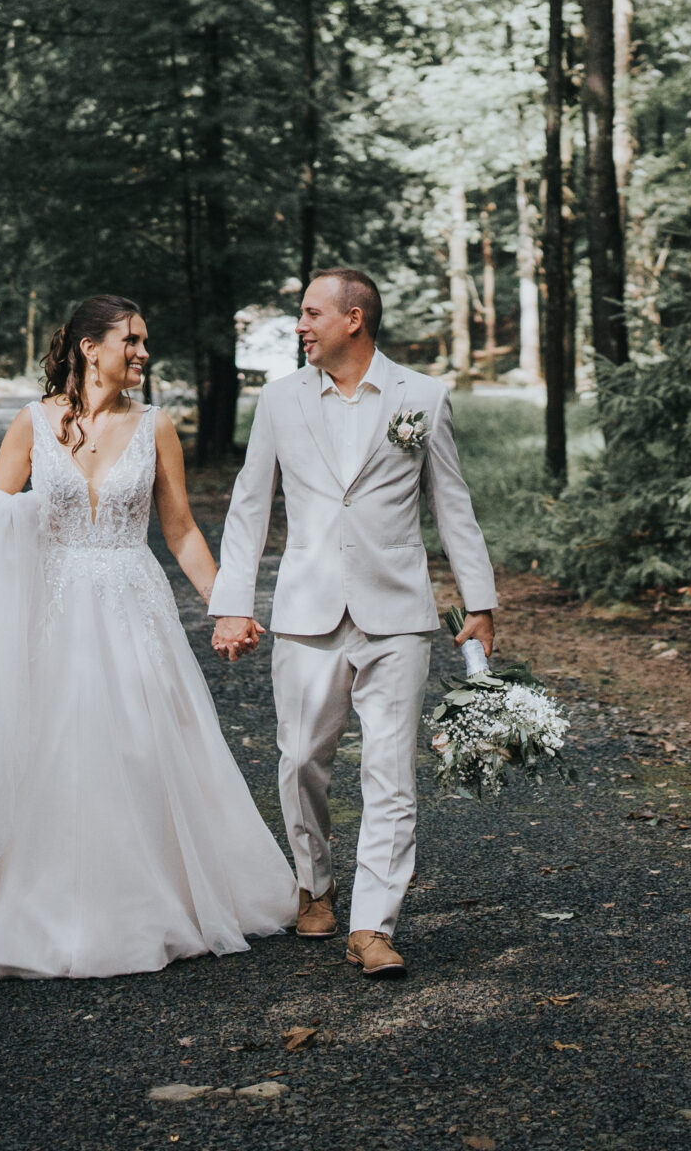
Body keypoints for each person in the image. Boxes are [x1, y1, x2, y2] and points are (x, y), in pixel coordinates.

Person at [0, 295, 294, 980]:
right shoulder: (30, 424)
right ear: (88, 347)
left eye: (143, 341)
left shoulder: (156, 426)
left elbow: (183, 531)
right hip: (50, 611)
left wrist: (228, 605)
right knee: (44, 752)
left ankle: (148, 903)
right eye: (130, 340)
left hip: (134, 607)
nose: (142, 352)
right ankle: (36, 914)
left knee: (140, 749)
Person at [208, 267, 497, 978]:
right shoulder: (278, 402)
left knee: (390, 770)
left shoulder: (421, 398)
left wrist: (480, 603)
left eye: (310, 313)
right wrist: (233, 602)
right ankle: (315, 880)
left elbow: (451, 505)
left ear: (353, 320)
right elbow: (251, 506)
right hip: (307, 609)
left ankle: (373, 925)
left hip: (397, 612)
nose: (300, 325)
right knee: (301, 756)